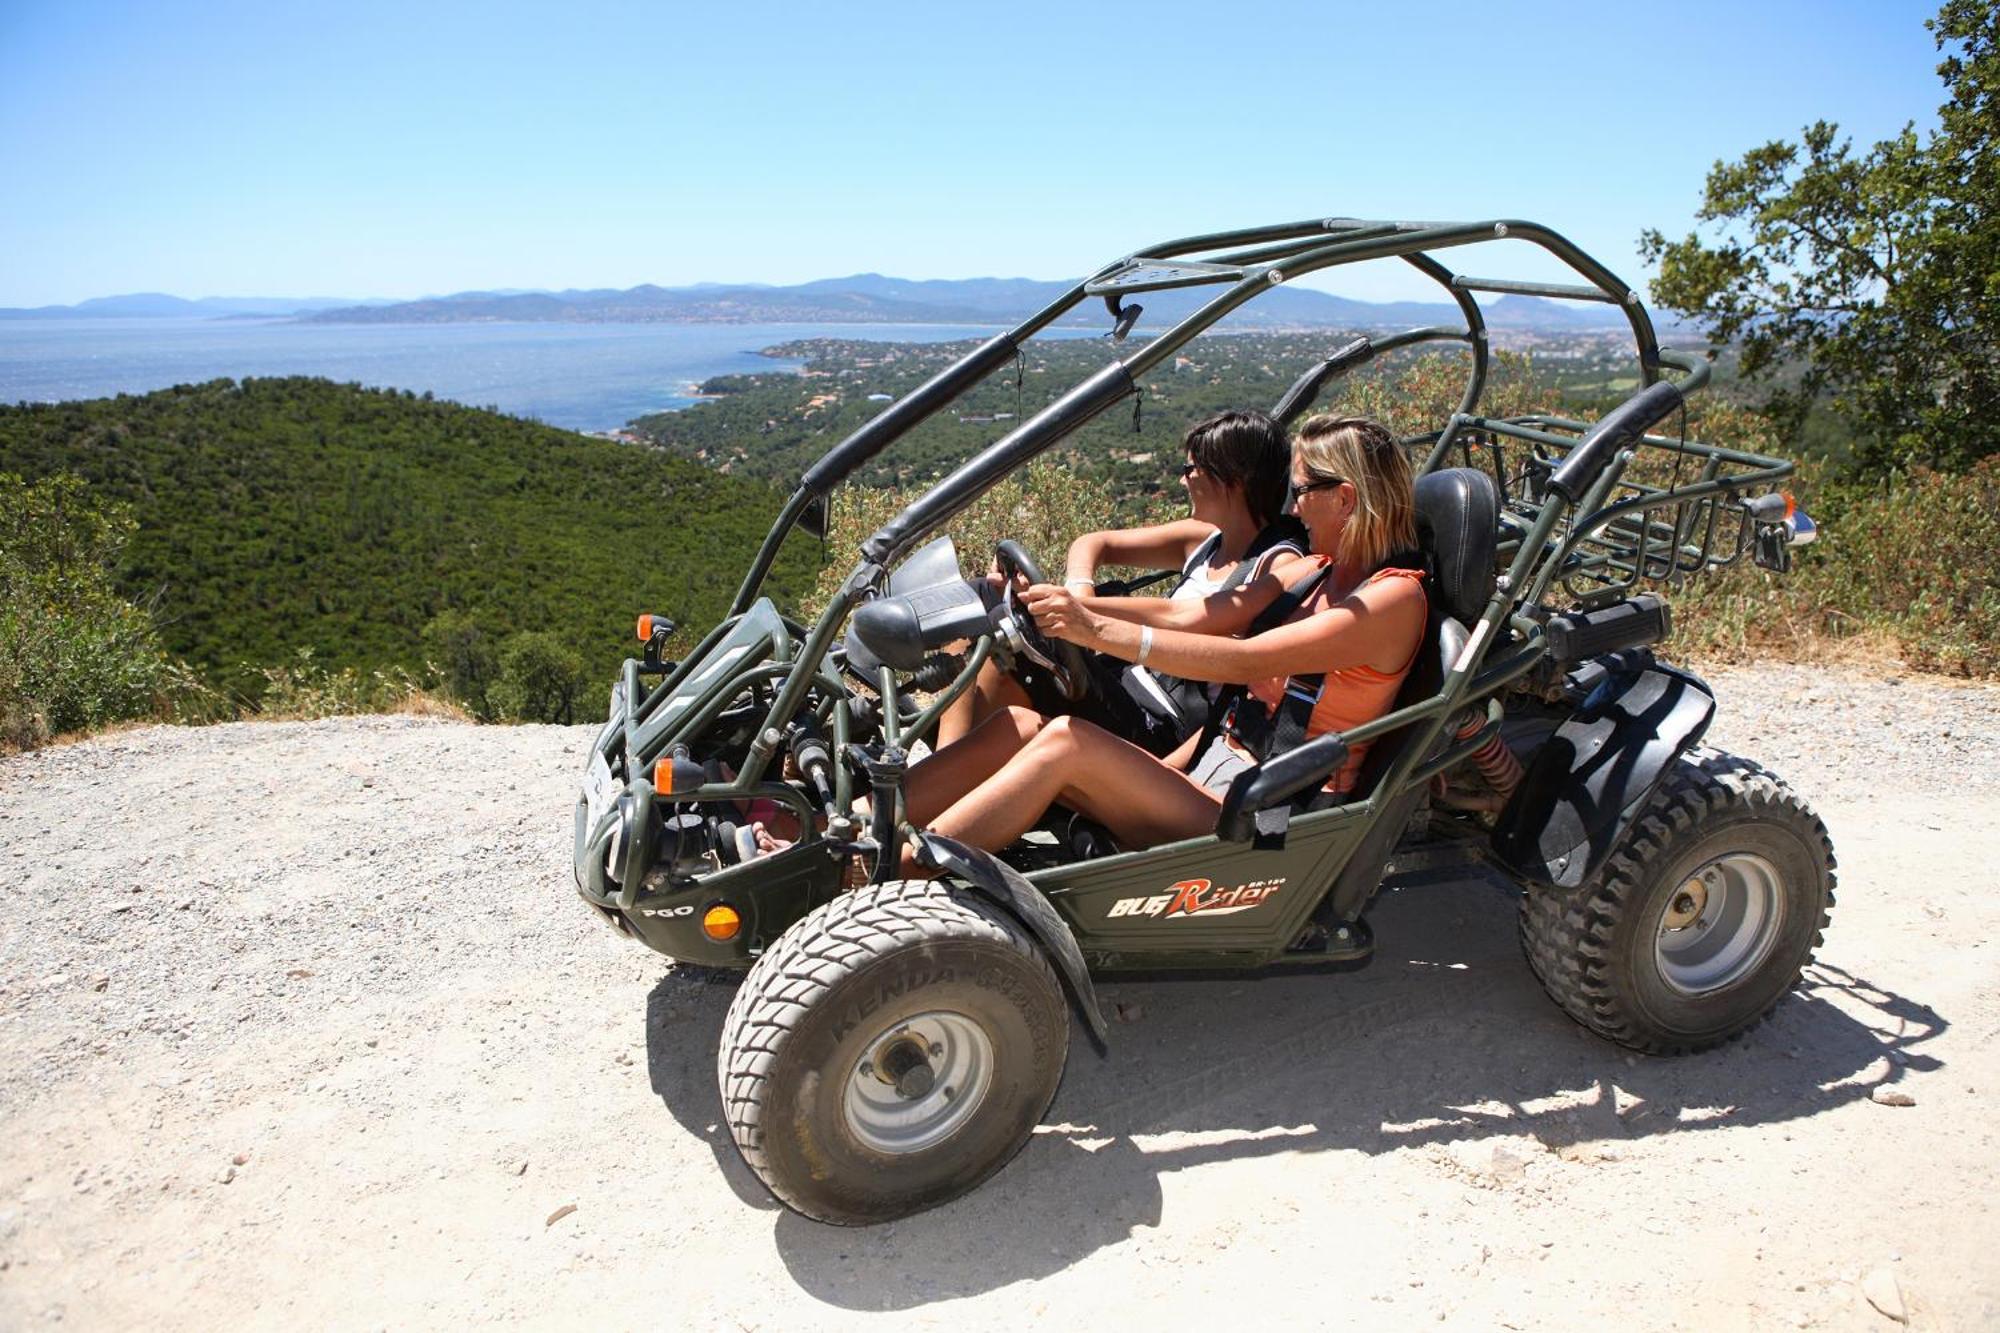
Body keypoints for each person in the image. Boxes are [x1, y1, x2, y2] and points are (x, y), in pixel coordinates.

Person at [899, 414, 1425, 868]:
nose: (1296, 507)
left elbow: (1242, 661)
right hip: (1218, 778)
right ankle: (864, 829)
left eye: (1303, 491)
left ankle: (899, 871)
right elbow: (1192, 618)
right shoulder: (1313, 572)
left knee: (1067, 740)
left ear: (1346, 498)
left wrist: (1093, 628)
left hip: (1275, 820)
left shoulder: (1391, 602)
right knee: (1021, 726)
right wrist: (1063, 605)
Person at [938, 409, 1307, 755]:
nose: (1183, 479)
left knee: (1003, 620)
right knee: (982, 598)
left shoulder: (1277, 564)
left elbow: (1183, 616)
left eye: (1191, 469)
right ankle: (946, 763)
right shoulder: (1207, 538)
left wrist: (1074, 608)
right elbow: (1094, 543)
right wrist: (1079, 588)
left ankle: (938, 773)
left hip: (1163, 722)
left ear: (1233, 479)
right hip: (1127, 684)